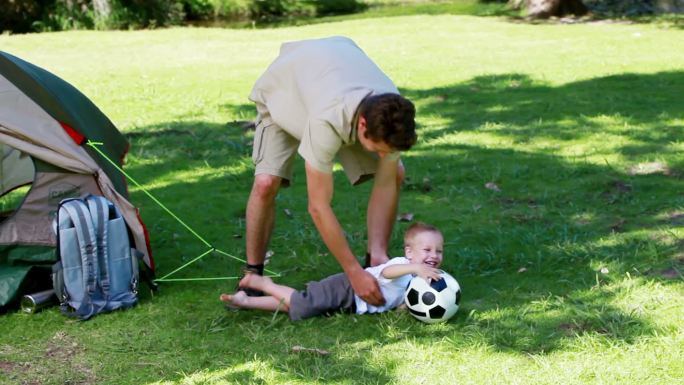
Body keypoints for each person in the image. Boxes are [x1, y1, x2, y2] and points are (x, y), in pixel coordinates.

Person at [239, 36, 417, 306]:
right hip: (286, 86)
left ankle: (375, 258)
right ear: (363, 125)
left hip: (333, 73)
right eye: (378, 148)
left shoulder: (392, 111)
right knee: (266, 182)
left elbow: (385, 181)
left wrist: (377, 257)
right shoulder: (326, 120)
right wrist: (352, 272)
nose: (383, 155)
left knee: (394, 172)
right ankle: (253, 274)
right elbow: (319, 206)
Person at [221, 222, 444, 320]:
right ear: (410, 253)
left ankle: (246, 302)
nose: (433, 255)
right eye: (427, 250)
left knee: (302, 304)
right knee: (306, 305)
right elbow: (387, 274)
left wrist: (405, 307)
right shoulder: (403, 265)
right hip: (348, 289)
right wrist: (415, 267)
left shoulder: (419, 278)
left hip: (353, 303)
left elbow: (403, 296)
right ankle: (264, 284)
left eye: (439, 251)